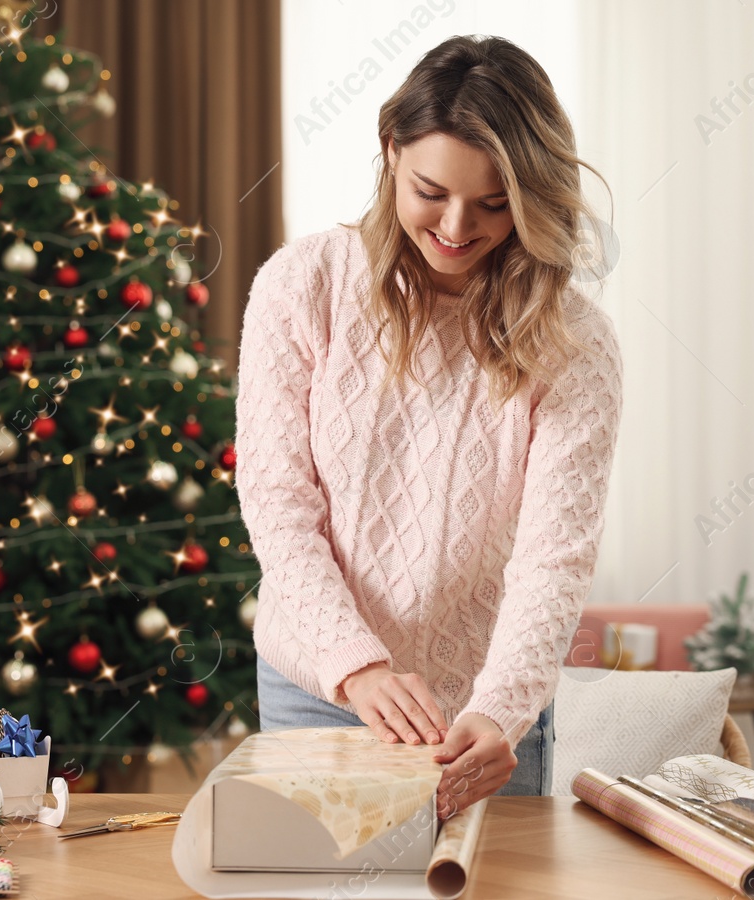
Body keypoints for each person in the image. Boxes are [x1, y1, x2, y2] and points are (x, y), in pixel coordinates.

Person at [237, 34, 623, 819]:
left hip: (483, 711)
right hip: (319, 683)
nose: (456, 227)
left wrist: (502, 709)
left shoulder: (576, 343)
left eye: (493, 204)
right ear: (390, 152)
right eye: (431, 190)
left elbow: (555, 557)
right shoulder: (303, 284)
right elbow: (278, 501)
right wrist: (357, 668)